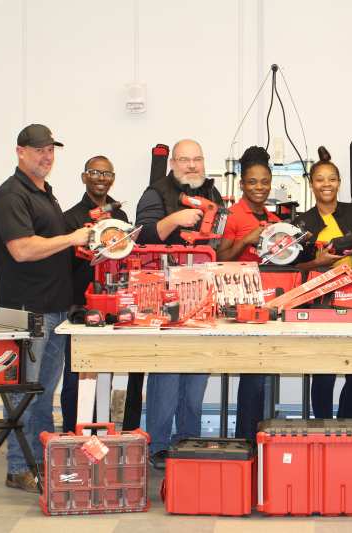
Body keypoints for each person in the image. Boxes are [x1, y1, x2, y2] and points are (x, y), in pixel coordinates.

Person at [0, 124, 90, 491]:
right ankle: (18, 469)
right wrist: (71, 238)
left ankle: (40, 462)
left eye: (50, 150)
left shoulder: (45, 193)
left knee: (45, 394)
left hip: (56, 310)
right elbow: (22, 249)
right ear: (20, 151)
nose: (46, 156)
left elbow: (51, 246)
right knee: (24, 396)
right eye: (38, 150)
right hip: (30, 312)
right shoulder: (10, 196)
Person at [135, 139, 222, 468]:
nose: (192, 166)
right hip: (163, 296)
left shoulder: (211, 193)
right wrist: (175, 220)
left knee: (197, 374)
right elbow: (140, 235)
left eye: (197, 159)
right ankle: (157, 445)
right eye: (185, 160)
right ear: (172, 162)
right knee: (167, 375)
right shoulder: (155, 193)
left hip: (202, 295)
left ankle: (190, 441)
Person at [294, 146, 352, 420]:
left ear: (339, 182)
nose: (326, 184)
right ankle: (323, 427)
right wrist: (320, 260)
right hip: (321, 303)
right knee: (324, 372)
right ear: (311, 184)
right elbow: (295, 267)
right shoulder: (302, 222)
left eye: (332, 179)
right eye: (320, 179)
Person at [216, 146, 281, 441]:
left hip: (269, 303)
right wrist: (248, 238)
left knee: (266, 373)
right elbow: (220, 258)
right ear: (242, 184)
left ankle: (263, 435)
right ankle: (246, 438)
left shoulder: (274, 219)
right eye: (253, 182)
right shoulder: (231, 215)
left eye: (264, 182)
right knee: (253, 375)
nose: (259, 187)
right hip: (238, 306)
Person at [61, 155, 129, 433]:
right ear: (84, 177)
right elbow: (65, 263)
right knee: (75, 375)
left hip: (113, 305)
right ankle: (70, 433)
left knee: (105, 374)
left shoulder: (121, 217)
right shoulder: (70, 218)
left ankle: (101, 433)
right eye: (95, 173)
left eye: (107, 174)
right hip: (80, 305)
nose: (101, 178)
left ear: (112, 178)